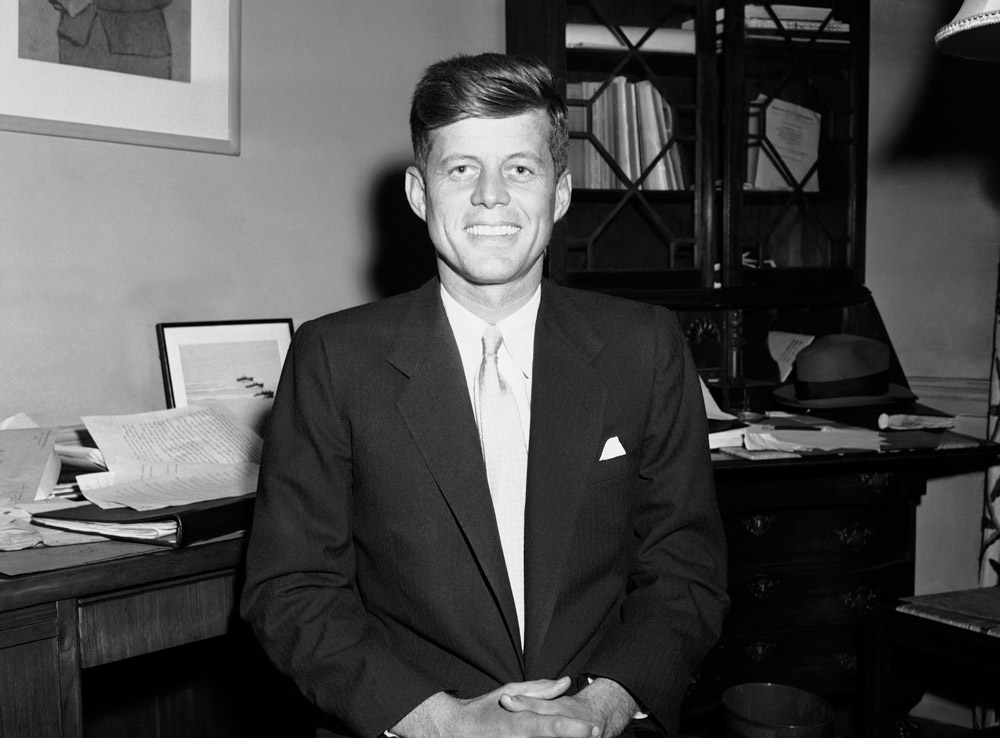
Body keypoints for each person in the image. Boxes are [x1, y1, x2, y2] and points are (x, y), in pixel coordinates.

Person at [241, 52, 728, 738]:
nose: (491, 196)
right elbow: (290, 591)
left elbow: (685, 570)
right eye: (461, 168)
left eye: (520, 169)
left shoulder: (645, 348)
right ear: (419, 192)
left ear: (559, 193)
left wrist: (606, 702)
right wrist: (443, 723)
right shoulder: (333, 359)